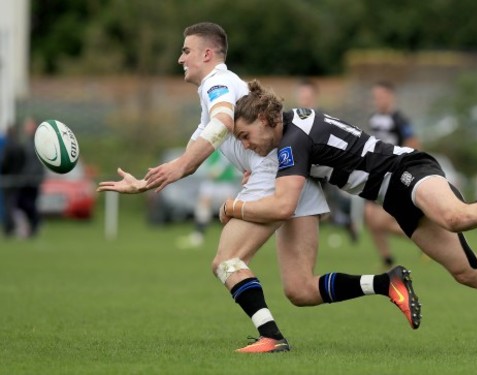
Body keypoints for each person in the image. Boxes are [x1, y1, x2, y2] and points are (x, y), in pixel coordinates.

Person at [96, 22, 421, 353]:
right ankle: (386, 283)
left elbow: (223, 122)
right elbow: (193, 155)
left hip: (272, 173)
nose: (181, 59)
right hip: (293, 172)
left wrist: (227, 196)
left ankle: (271, 336)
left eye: (186, 51)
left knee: (227, 261)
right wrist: (145, 182)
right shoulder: (214, 90)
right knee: (301, 290)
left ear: (207, 54)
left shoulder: (217, 82)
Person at [224, 79, 477, 357]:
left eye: (245, 135)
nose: (244, 144)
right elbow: (291, 167)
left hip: (404, 170)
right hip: (393, 196)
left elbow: (284, 206)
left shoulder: (291, 141)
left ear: (265, 119)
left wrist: (232, 208)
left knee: (455, 216)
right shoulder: (289, 131)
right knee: (467, 272)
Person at [365, 81, 422, 268]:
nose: (378, 100)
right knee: (369, 219)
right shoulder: (373, 119)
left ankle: (425, 241)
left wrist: (403, 166)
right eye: (375, 97)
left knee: (381, 221)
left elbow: (413, 143)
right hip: (375, 175)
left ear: (391, 96)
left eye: (381, 96)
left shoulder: (399, 120)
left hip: (393, 175)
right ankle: (387, 258)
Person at [295, 78, 358, 242]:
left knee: (328, 210)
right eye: (301, 95)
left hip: (323, 170)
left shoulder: (323, 117)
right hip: (303, 171)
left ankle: (345, 221)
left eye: (307, 95)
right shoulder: (294, 117)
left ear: (314, 96)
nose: (304, 98)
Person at [176, 150, 241, 249]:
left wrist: (218, 169)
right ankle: (198, 237)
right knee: (203, 206)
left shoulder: (230, 143)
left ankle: (233, 239)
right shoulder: (212, 142)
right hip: (211, 182)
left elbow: (230, 159)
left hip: (226, 182)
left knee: (228, 210)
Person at [17, 117, 45, 237]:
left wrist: (32, 176)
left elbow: (36, 163)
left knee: (29, 203)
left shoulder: (37, 141)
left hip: (33, 179)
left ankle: (35, 225)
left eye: (28, 125)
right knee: (22, 203)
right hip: (27, 178)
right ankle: (34, 224)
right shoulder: (27, 141)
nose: (25, 127)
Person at [0, 125, 26, 238]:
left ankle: (10, 227)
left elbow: (4, 163)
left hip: (7, 179)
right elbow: (24, 161)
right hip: (18, 179)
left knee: (8, 204)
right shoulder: (20, 146)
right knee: (15, 203)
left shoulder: (8, 147)